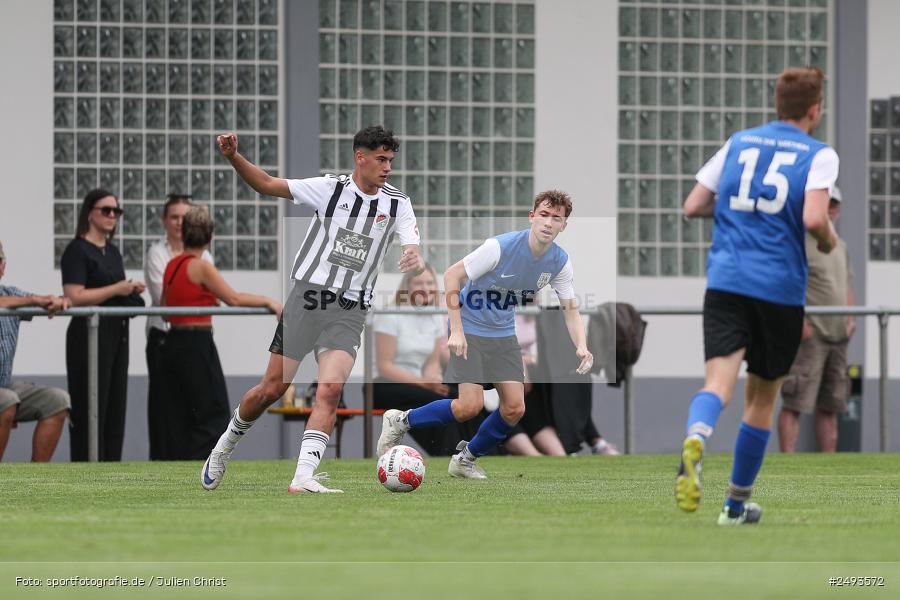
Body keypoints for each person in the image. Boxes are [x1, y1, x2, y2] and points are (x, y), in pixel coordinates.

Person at [201, 125, 423, 493]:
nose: (387, 167)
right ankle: (224, 448)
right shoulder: (329, 189)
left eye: (391, 160)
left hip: (350, 309)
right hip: (308, 299)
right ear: (360, 157)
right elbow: (267, 185)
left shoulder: (398, 202)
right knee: (272, 388)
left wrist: (411, 252)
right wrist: (233, 157)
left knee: (331, 388)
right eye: (381, 159)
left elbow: (410, 240)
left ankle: (302, 477)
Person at [675, 67, 839, 525]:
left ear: (776, 105)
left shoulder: (739, 142)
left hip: (726, 282)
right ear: (814, 110)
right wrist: (827, 238)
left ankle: (697, 437)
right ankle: (734, 504)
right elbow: (812, 217)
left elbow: (692, 205)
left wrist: (736, 214)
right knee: (762, 400)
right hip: (779, 290)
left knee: (717, 385)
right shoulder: (819, 154)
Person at [377, 189, 593, 478]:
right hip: (470, 329)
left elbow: (570, 308)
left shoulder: (559, 262)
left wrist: (582, 345)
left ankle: (465, 459)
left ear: (563, 225)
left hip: (503, 335)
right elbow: (452, 275)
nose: (548, 222)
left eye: (556, 218)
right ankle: (402, 420)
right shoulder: (500, 247)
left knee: (515, 408)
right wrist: (456, 330)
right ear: (532, 217)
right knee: (469, 406)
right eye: (543, 215)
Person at [161, 206, 281, 460]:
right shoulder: (201, 266)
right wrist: (269, 302)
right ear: (209, 237)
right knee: (213, 411)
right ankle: (206, 461)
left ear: (183, 235)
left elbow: (165, 309)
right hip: (196, 343)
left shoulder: (172, 264)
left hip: (173, 343)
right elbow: (233, 298)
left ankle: (179, 462)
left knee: (178, 412)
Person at [61, 189, 146, 462]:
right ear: (89, 213)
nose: (112, 216)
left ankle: (110, 469)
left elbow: (115, 291)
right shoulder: (77, 249)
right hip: (87, 336)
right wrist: (118, 288)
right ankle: (85, 469)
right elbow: (74, 296)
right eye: (106, 210)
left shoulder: (113, 251)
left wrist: (128, 290)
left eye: (116, 211)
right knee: (89, 407)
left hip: (116, 334)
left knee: (114, 409)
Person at [778, 186, 854, 453]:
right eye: (826, 204)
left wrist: (851, 318)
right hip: (811, 336)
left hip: (839, 336)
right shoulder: (799, 242)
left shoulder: (841, 246)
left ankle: (829, 464)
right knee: (795, 402)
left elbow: (846, 283)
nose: (830, 210)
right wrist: (801, 325)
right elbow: (787, 285)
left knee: (831, 405)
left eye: (835, 205)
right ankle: (788, 461)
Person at [144, 194, 213, 460]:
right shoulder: (157, 253)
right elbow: (170, 298)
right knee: (165, 408)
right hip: (164, 337)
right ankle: (164, 461)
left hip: (196, 338)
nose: (179, 222)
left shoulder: (204, 255)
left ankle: (193, 461)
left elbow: (208, 296)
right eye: (174, 216)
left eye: (184, 217)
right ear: (165, 221)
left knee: (196, 405)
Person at [0, 241, 71, 462]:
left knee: (58, 400)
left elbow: (44, 299)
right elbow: (31, 300)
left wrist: (58, 301)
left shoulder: (12, 293)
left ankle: (33, 483)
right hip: (6, 395)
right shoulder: (17, 299)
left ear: (3, 266)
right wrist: (33, 300)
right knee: (8, 400)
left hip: (4, 386)